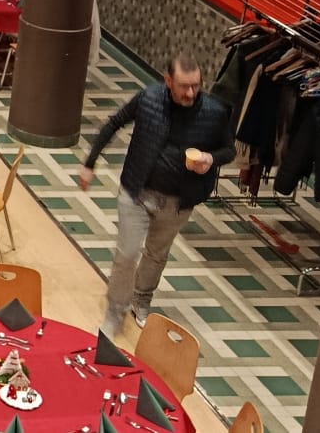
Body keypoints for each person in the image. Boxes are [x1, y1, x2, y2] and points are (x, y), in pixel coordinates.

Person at [79, 53, 234, 337]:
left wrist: (210, 159)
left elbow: (229, 150)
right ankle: (115, 311)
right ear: (168, 81)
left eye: (196, 86)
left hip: (178, 201)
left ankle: (141, 299)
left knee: (156, 255)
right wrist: (90, 163)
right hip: (137, 191)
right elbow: (114, 123)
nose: (191, 93)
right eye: (184, 86)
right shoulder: (148, 98)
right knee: (127, 254)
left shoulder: (215, 112)